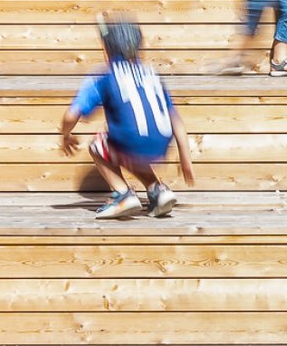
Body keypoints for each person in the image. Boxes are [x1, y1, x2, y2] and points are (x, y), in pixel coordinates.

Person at [63, 17, 193, 220]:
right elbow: (175, 118)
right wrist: (185, 156)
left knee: (100, 143)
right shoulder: (152, 74)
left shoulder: (103, 76)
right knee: (129, 145)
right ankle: (157, 189)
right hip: (160, 145)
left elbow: (71, 115)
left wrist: (65, 135)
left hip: (130, 141)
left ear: (106, 51)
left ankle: (123, 194)